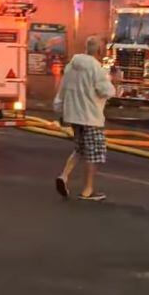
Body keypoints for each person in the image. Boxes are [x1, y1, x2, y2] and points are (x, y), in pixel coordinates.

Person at [54, 36, 116, 201]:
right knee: (94, 154)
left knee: (80, 149)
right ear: (99, 50)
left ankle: (64, 176)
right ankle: (88, 190)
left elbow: (63, 89)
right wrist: (113, 82)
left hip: (73, 116)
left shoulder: (71, 66)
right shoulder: (96, 68)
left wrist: (60, 109)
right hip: (91, 117)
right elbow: (106, 91)